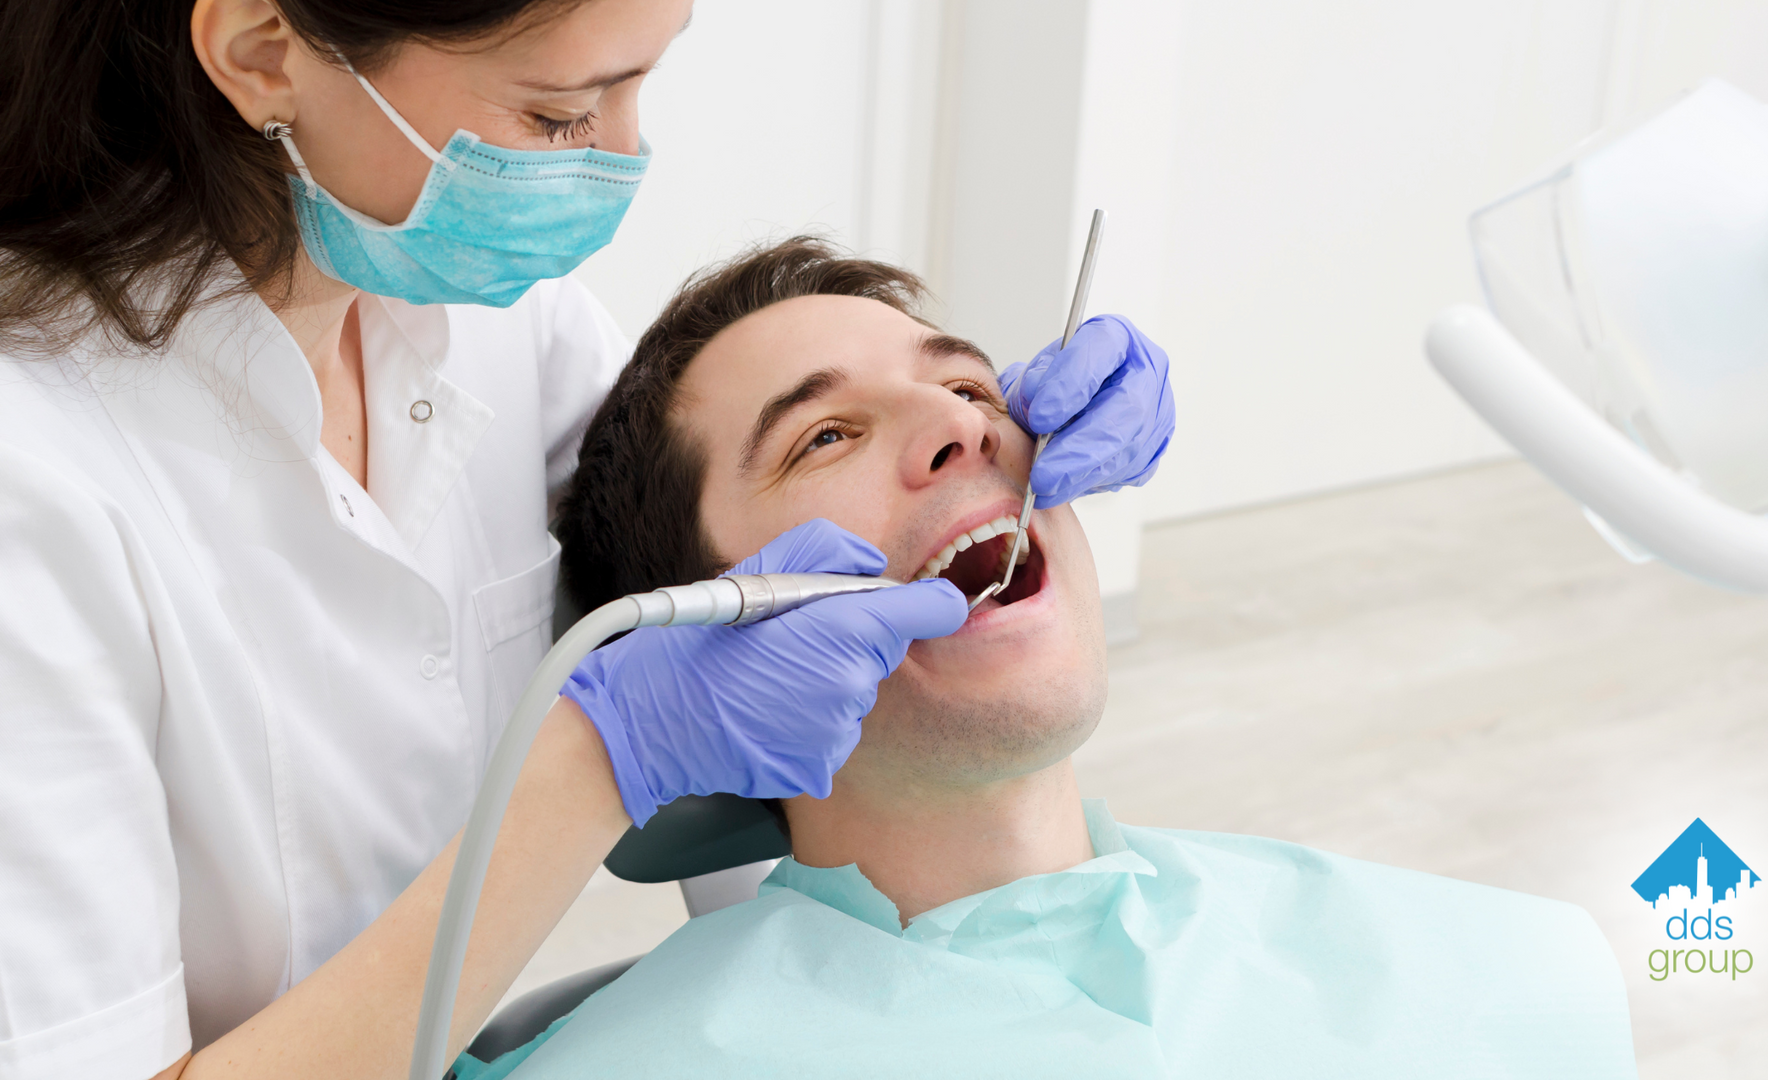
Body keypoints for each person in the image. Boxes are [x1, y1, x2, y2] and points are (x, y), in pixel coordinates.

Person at [0, 3, 1175, 1078]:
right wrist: (609, 757)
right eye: (558, 113)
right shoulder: (38, 476)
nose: (623, 155)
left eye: (970, 389)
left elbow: (690, 561)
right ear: (263, 51)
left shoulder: (509, 322)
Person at [452, 238, 1636, 1078]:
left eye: (968, 385)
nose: (965, 427)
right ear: (706, 626)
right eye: (826, 436)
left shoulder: (1510, 975)